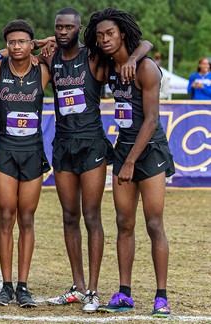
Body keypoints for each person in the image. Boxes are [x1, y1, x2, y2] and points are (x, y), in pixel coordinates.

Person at [41, 7, 152, 312]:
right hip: (62, 145)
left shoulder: (93, 57)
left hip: (92, 146)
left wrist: (131, 60)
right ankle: (77, 286)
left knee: (92, 216)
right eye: (58, 27)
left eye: (68, 28)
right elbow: (19, 46)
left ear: (79, 29)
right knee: (69, 216)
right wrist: (41, 42)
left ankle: (93, 289)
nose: (63, 32)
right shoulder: (50, 57)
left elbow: (145, 45)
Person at [84, 7, 175, 318]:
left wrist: (130, 163)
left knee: (153, 223)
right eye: (100, 35)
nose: (105, 39)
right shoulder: (108, 65)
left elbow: (151, 120)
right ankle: (124, 293)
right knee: (124, 224)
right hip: (124, 148)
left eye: (110, 33)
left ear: (122, 33)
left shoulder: (145, 68)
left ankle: (161, 296)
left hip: (149, 151)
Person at [0, 19, 50, 308]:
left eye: (23, 41)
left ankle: (23, 286)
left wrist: (36, 45)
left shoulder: (42, 71)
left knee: (26, 217)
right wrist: (3, 52)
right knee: (6, 214)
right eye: (12, 42)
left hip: (33, 151)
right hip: (5, 152)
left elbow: (56, 44)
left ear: (31, 42)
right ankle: (6, 285)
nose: (17, 46)